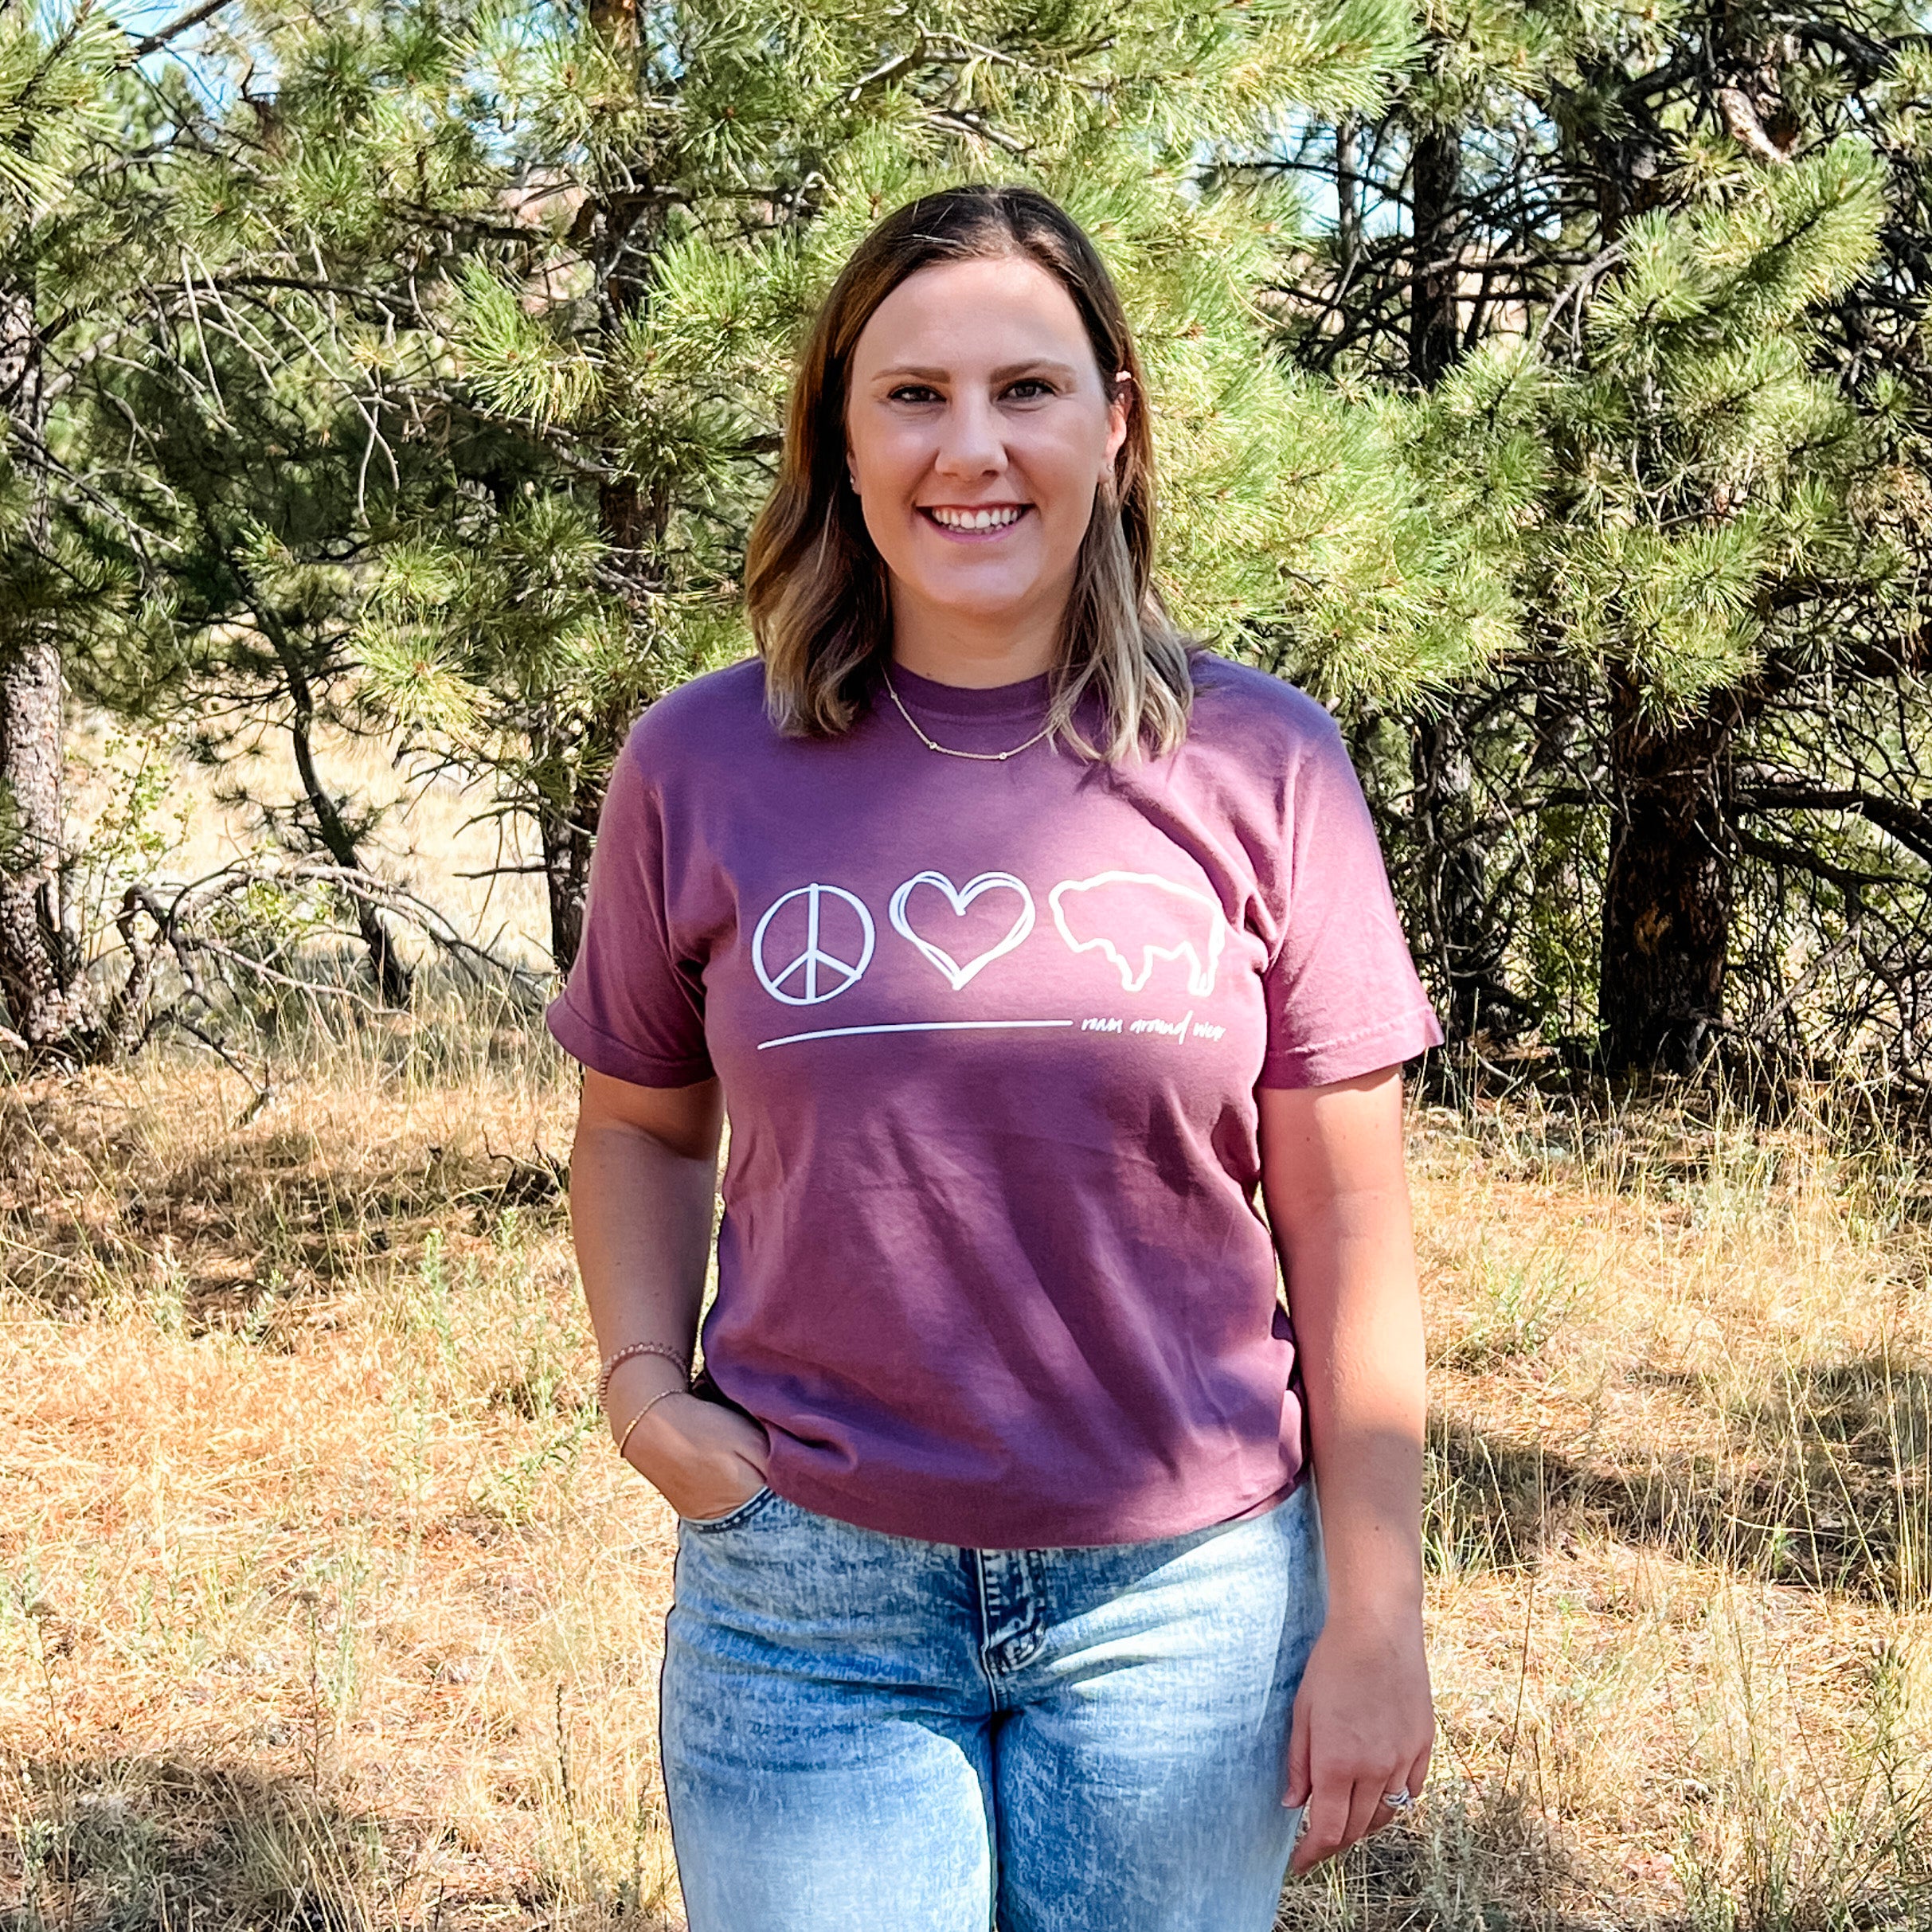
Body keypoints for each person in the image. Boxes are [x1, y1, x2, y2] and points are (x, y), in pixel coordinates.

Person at [548, 182, 1442, 1932]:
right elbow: (642, 1125)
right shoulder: (702, 759)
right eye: (913, 394)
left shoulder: (1264, 762)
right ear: (839, 437)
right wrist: (642, 1393)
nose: (974, 448)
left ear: (1115, 424)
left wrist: (1377, 1610)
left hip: (1181, 1609)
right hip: (807, 1601)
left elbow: (1347, 1219)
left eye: (1027, 389)